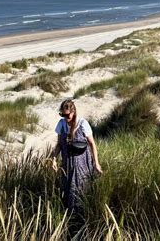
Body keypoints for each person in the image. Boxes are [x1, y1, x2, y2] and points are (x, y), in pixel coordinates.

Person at [50, 99, 103, 236]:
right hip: (67, 164)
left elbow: (92, 144)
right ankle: (70, 220)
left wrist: (96, 163)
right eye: (63, 115)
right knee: (67, 190)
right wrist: (54, 159)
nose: (66, 118)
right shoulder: (61, 125)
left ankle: (81, 221)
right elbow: (59, 145)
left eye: (68, 115)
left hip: (81, 164)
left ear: (73, 112)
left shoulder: (83, 124)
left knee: (80, 189)